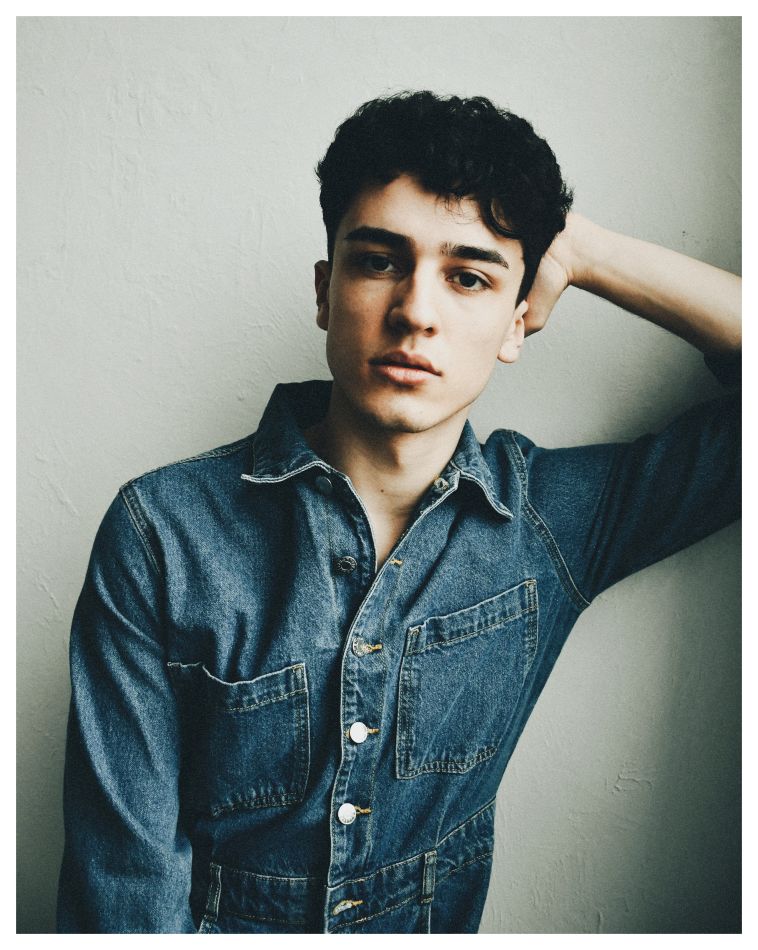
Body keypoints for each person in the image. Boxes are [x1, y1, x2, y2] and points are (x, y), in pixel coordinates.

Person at [57, 91, 740, 934]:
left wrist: (581, 249)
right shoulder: (162, 533)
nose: (417, 311)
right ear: (325, 291)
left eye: (469, 276)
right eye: (380, 261)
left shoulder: (550, 524)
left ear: (518, 321)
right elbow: (123, 895)